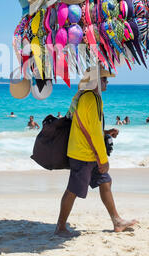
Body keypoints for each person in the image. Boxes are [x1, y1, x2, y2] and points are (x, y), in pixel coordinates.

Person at [55, 66, 138, 237]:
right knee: (73, 190)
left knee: (105, 182)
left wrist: (106, 132)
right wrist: (103, 160)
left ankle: (117, 221)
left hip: (86, 150)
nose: (107, 82)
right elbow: (92, 133)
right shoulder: (91, 99)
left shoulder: (88, 97)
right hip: (83, 153)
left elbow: (89, 126)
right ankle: (60, 227)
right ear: (96, 82)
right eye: (104, 79)